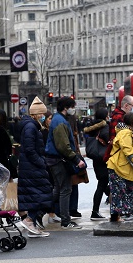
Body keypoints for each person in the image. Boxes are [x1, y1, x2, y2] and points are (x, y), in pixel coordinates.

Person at [44, 96, 85, 230]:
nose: (74, 109)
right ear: (66, 108)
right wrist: (76, 159)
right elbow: (63, 146)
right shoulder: (60, 122)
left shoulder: (57, 120)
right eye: (72, 106)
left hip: (55, 160)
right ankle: (65, 221)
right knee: (65, 189)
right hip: (59, 160)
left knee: (58, 189)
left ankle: (38, 213)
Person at [16, 97, 52, 237]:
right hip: (32, 167)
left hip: (31, 166)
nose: (43, 117)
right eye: (42, 114)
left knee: (37, 195)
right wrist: (41, 162)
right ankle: (30, 220)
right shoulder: (31, 127)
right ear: (36, 114)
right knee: (39, 196)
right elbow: (30, 149)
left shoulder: (31, 126)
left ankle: (32, 224)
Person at [106, 111, 133, 224]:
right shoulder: (125, 133)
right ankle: (116, 218)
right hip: (119, 168)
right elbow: (128, 150)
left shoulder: (132, 132)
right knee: (120, 194)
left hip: (127, 168)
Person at [83, 107, 111, 220]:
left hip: (97, 160)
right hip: (104, 159)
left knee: (102, 184)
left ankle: (96, 210)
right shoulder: (105, 127)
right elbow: (108, 140)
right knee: (102, 185)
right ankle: (95, 211)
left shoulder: (92, 127)